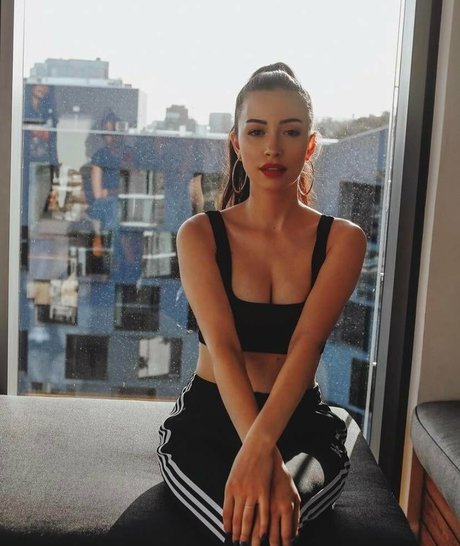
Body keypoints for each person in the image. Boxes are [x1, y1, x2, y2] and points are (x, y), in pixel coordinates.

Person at [157, 63, 367, 546]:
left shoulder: (342, 240)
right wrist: (260, 453)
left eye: (290, 132)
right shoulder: (200, 235)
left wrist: (263, 449)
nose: (273, 147)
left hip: (302, 424)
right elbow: (224, 348)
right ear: (237, 142)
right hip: (209, 422)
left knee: (274, 529)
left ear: (310, 145)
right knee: (247, 531)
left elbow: (306, 345)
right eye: (257, 132)